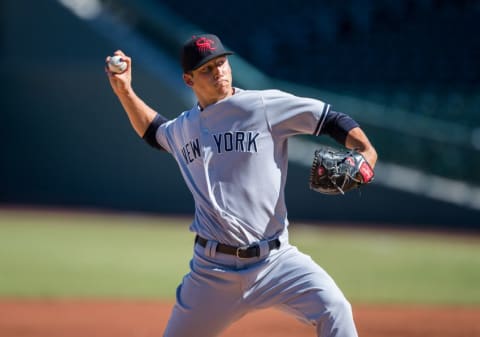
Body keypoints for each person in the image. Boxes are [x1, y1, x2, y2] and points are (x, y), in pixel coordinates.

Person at [106, 33, 377, 337]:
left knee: (335, 308)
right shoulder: (183, 128)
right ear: (188, 80)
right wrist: (125, 91)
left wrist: (367, 151)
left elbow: (330, 118)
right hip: (211, 273)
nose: (218, 71)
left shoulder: (261, 106)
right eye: (207, 69)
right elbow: (155, 132)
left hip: (276, 261)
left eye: (221, 63)